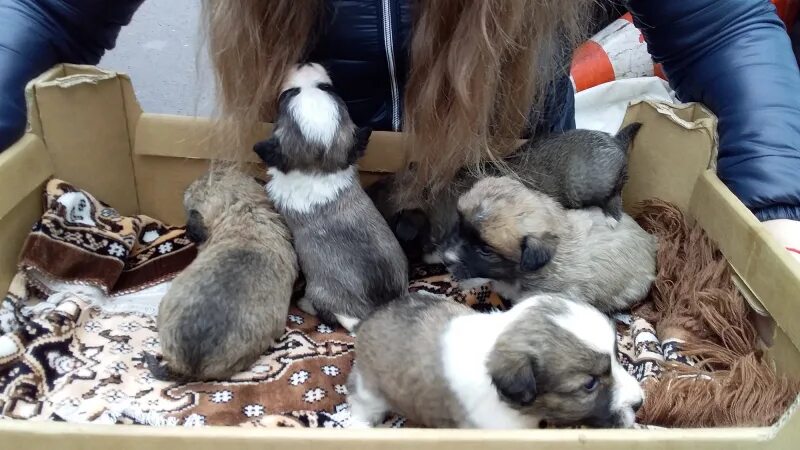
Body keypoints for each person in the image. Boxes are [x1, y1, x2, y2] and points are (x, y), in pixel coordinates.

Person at [1, 0, 799, 258]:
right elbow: (42, 11)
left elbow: (720, 28)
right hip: (305, 213)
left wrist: (776, 211)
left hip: (510, 202)